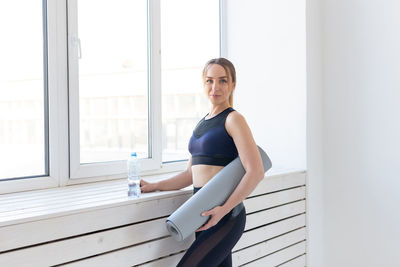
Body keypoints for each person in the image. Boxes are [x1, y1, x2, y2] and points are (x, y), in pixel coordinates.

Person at [140, 58, 265, 267]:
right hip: (202, 216)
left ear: (233, 85)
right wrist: (154, 186)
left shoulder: (234, 119)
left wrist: (223, 210)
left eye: (223, 81)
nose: (215, 87)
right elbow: (189, 175)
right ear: (203, 84)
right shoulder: (201, 124)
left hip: (225, 217)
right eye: (209, 81)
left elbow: (256, 171)